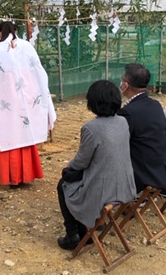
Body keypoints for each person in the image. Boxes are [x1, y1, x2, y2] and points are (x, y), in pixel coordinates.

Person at [56, 80, 136, 250]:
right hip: (125, 185)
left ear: (92, 102)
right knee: (73, 178)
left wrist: (70, 163)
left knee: (63, 184)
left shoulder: (91, 128)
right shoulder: (122, 122)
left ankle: (73, 235)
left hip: (103, 190)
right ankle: (84, 233)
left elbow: (82, 161)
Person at [0, 21, 56, 187]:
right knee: (26, 135)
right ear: (16, 30)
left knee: (10, 135)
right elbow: (38, 71)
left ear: (0, 33)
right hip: (27, 98)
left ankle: (12, 178)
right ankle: (27, 175)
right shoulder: (27, 46)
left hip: (6, 99)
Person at [117, 63, 166, 193]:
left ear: (125, 85)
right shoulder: (156, 105)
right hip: (159, 169)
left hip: (140, 175)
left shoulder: (128, 112)